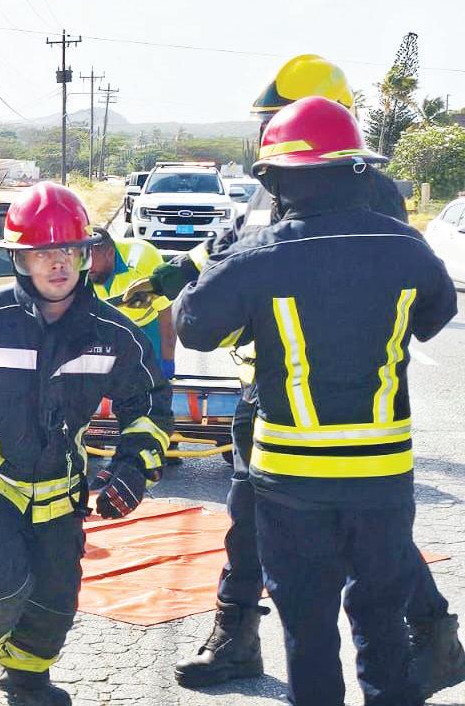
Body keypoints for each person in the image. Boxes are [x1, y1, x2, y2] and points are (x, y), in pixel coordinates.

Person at [127, 56, 465, 697]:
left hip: (289, 464)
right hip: (381, 471)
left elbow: (199, 320)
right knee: (378, 616)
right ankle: (243, 638)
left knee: (308, 625)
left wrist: (238, 301)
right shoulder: (401, 242)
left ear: (276, 168)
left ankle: (427, 632)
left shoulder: (277, 243)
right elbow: (432, 312)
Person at [0, 182, 171, 706]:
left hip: (61, 490)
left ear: (85, 255)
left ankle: (24, 680)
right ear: (20, 259)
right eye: (43, 251)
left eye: (68, 249)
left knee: (55, 602)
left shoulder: (113, 333)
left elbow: (150, 400)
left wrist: (135, 468)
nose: (57, 263)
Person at [86, 229, 175, 379]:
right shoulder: (79, 265)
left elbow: (166, 313)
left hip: (147, 325)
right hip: (106, 326)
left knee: (152, 377)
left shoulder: (144, 258)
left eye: (91, 264)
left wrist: (167, 362)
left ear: (110, 253)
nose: (86, 268)